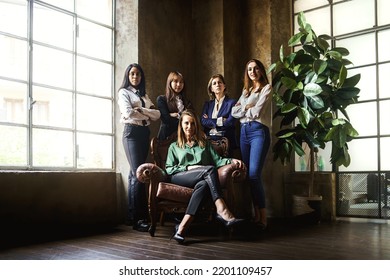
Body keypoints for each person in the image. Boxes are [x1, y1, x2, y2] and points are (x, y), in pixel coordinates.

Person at [165, 109, 244, 244]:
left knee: (204, 184)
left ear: (196, 125)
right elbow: (169, 169)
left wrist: (232, 160)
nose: (189, 127)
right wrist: (189, 167)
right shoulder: (174, 146)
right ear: (181, 125)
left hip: (202, 179)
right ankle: (222, 209)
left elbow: (218, 160)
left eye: (193, 124)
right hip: (179, 177)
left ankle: (182, 227)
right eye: (186, 123)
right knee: (209, 170)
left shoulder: (204, 143)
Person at [118, 63, 161, 232]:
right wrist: (146, 113)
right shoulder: (124, 92)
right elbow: (128, 113)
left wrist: (142, 109)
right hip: (132, 133)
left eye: (138, 74)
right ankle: (139, 219)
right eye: (132, 74)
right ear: (128, 76)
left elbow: (157, 114)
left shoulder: (143, 95)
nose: (135, 77)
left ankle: (130, 216)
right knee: (139, 174)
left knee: (132, 174)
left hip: (144, 134)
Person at [231, 59, 272, 230]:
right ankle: (256, 215)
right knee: (248, 175)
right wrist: (248, 106)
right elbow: (234, 112)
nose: (252, 72)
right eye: (249, 69)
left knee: (254, 174)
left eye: (255, 69)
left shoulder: (267, 88)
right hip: (244, 132)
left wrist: (246, 109)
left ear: (261, 70)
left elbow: (257, 112)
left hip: (258, 132)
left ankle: (263, 217)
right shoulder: (246, 91)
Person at [201, 74, 238, 157]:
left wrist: (210, 120)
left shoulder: (232, 103)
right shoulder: (207, 105)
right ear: (211, 89)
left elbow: (230, 122)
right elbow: (203, 121)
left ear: (224, 86)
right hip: (209, 140)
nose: (217, 85)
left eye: (220, 82)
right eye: (214, 83)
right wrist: (221, 120)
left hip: (225, 140)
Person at [157, 71, 192, 140]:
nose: (179, 84)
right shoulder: (161, 99)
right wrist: (183, 116)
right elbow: (166, 120)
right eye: (175, 81)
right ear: (170, 83)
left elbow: (192, 118)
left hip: (183, 136)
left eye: (181, 82)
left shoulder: (187, 102)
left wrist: (175, 115)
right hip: (166, 137)